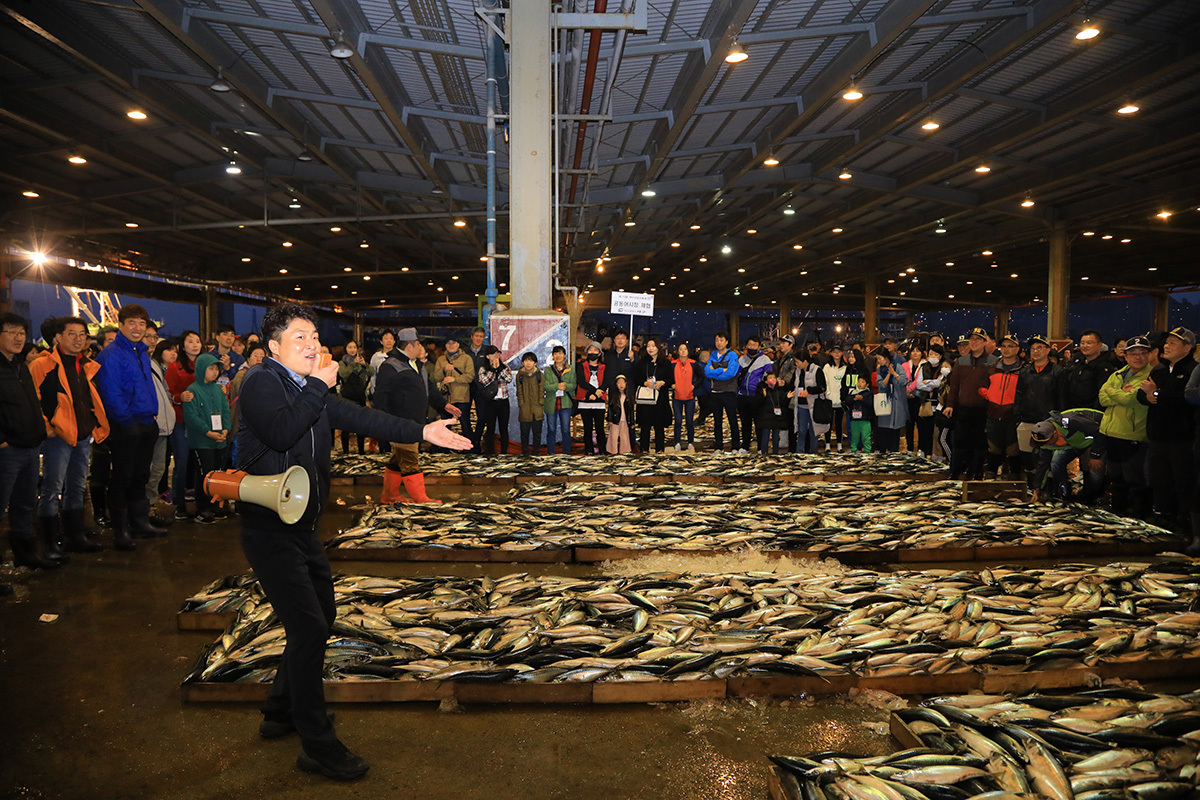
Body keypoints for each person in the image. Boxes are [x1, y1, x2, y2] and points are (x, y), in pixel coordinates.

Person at [234, 304, 470, 781]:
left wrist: (422, 430)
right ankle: (317, 744)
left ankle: (280, 709)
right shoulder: (262, 381)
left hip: (303, 526)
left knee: (321, 616)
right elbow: (281, 430)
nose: (312, 343)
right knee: (309, 630)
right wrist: (320, 384)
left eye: (315, 335)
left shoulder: (309, 389)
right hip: (269, 527)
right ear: (273, 347)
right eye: (299, 336)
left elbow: (366, 419)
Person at [30, 316, 110, 560]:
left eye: (82, 334)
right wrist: (49, 428)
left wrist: (94, 427)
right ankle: (51, 543)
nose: (78, 339)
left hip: (83, 435)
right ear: (57, 337)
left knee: (76, 487)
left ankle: (76, 537)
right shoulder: (42, 365)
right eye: (72, 334)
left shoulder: (84, 364)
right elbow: (33, 401)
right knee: (52, 489)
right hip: (58, 437)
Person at [94, 304, 166, 548]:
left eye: (142, 323)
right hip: (126, 425)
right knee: (122, 477)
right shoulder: (111, 354)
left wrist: (152, 417)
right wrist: (126, 422)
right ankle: (121, 531)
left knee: (141, 476)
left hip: (147, 422)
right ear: (121, 325)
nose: (137, 328)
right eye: (132, 323)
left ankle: (140, 524)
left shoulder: (142, 353)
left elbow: (146, 389)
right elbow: (111, 393)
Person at [373, 328, 459, 503]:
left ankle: (389, 495)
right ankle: (421, 498)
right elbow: (380, 396)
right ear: (410, 345)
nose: (421, 346)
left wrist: (445, 404)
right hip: (400, 422)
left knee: (398, 459)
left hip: (416, 421)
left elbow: (429, 389)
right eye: (419, 343)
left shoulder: (418, 364)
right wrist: (381, 423)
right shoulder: (390, 366)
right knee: (410, 458)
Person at [0, 312, 57, 572]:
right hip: (7, 450)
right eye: (11, 332)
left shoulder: (21, 365)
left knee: (25, 503)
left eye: (21, 333)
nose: (18, 337)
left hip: (31, 446)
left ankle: (26, 555)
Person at [1137, 327, 1196, 533]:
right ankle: (1162, 519)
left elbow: (1188, 400)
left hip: (1182, 439)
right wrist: (1148, 396)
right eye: (1167, 342)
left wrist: (1157, 395)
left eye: (1173, 343)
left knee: (1182, 483)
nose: (1166, 346)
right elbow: (1142, 393)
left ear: (1187, 348)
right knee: (1159, 480)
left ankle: (1184, 523)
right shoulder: (1159, 370)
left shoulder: (1192, 370)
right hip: (1157, 437)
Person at [1098, 335, 1153, 517]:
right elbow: (1102, 398)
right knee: (1116, 478)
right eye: (1133, 353)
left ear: (1149, 355)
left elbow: (1130, 398)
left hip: (1133, 435)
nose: (1138, 357)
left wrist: (1113, 392)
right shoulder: (1117, 374)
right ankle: (1118, 514)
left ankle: (1140, 517)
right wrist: (1119, 393)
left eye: (1143, 353)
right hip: (1111, 432)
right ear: (1126, 356)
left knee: (1135, 479)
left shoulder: (1151, 377)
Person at [943, 327, 996, 479]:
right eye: (971, 339)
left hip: (983, 410)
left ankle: (976, 473)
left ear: (985, 342)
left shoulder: (993, 362)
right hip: (963, 408)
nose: (973, 342)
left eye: (978, 339)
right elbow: (954, 386)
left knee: (979, 444)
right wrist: (950, 404)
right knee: (959, 442)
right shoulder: (961, 361)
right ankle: (955, 473)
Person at [183, 354, 229, 525]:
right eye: (211, 368)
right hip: (202, 441)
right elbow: (191, 417)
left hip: (219, 440)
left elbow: (225, 411)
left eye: (217, 368)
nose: (215, 371)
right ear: (201, 369)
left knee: (217, 474)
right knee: (204, 474)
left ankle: (215, 505)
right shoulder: (192, 390)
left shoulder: (218, 390)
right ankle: (202, 509)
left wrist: (225, 430)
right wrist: (208, 433)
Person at [1014, 335, 1062, 493]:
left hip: (1048, 422)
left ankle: (1047, 491)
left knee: (1045, 458)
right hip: (1027, 420)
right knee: (1027, 457)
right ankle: (1030, 488)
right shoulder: (1025, 371)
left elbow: (1062, 398)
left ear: (1048, 350)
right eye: (1033, 348)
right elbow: (1019, 394)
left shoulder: (1058, 372)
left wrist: (1058, 421)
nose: (1035, 351)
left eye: (1040, 348)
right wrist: (1017, 416)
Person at [1028, 409, 1105, 503]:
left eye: (1046, 443)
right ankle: (1063, 494)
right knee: (1056, 462)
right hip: (1074, 443)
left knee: (1095, 468)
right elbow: (1042, 464)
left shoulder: (1072, 421)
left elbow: (1099, 431)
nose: (1045, 446)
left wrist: (1095, 455)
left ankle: (1090, 498)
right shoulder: (1045, 437)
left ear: (1054, 433)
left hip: (1097, 437)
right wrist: (1037, 488)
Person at [167, 331, 202, 520]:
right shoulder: (174, 367)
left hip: (200, 422)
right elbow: (169, 394)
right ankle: (179, 504)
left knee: (198, 463)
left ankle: (199, 502)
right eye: (190, 341)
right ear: (182, 345)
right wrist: (180, 397)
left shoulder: (204, 365)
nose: (195, 345)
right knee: (181, 463)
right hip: (180, 421)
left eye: (198, 341)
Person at [145, 338, 179, 528]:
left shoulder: (157, 366)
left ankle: (150, 507)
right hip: (148, 425)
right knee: (146, 469)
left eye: (152, 336)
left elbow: (165, 394)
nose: (149, 340)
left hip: (163, 425)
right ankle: (141, 511)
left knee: (158, 469)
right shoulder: (140, 363)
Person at [983, 334, 1023, 479]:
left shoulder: (1023, 369)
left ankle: (1014, 475)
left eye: (1011, 346)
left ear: (1017, 349)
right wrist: (986, 393)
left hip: (1012, 414)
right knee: (993, 446)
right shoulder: (992, 367)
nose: (1006, 349)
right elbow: (983, 385)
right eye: (1004, 346)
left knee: (1013, 448)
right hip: (993, 413)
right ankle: (991, 473)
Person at [634, 336, 673, 454]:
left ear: (658, 347)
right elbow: (636, 378)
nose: (650, 348)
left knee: (659, 425)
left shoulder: (666, 363)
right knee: (645, 425)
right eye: (648, 346)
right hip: (645, 398)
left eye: (653, 346)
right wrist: (644, 382)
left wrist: (662, 382)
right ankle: (644, 449)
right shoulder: (642, 362)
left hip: (660, 398)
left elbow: (671, 379)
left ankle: (659, 449)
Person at [228, 343, 266, 464]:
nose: (259, 359)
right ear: (248, 359)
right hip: (242, 425)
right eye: (255, 355)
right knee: (239, 458)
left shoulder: (266, 375)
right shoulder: (242, 375)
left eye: (262, 356)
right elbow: (249, 397)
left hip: (258, 427)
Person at [909, 344, 947, 458]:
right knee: (924, 429)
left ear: (940, 356)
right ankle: (924, 452)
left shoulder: (944, 367)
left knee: (937, 432)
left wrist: (928, 382)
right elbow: (920, 384)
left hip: (939, 404)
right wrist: (932, 383)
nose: (933, 356)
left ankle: (937, 454)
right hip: (926, 403)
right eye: (931, 354)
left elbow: (942, 383)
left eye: (935, 354)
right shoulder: (924, 367)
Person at [435, 336, 475, 445]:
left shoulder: (466, 358)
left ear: (458, 345)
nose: (451, 345)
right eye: (448, 343)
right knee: (445, 425)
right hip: (445, 398)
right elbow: (435, 377)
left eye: (454, 343)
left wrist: (454, 379)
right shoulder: (440, 359)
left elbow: (470, 376)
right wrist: (444, 370)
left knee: (465, 425)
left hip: (461, 397)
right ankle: (445, 449)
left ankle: (470, 449)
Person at [736, 336, 773, 453]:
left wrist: (765, 389)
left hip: (756, 396)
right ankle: (745, 446)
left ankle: (761, 447)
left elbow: (769, 377)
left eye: (754, 345)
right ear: (746, 346)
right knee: (745, 423)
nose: (752, 347)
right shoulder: (741, 360)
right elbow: (737, 376)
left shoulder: (765, 360)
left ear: (758, 346)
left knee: (759, 423)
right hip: (743, 396)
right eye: (750, 344)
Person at [705, 332, 740, 451]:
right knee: (717, 422)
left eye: (721, 340)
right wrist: (721, 370)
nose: (718, 343)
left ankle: (735, 446)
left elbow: (731, 374)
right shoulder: (713, 354)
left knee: (732, 421)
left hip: (729, 392)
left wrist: (715, 372)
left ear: (726, 342)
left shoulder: (733, 355)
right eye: (716, 340)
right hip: (715, 392)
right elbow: (707, 372)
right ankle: (718, 447)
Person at [336, 341, 373, 455]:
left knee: (361, 426)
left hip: (360, 396)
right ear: (345, 348)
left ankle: (361, 451)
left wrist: (364, 364)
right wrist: (353, 364)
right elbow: (344, 374)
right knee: (345, 426)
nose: (352, 349)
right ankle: (346, 451)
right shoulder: (343, 362)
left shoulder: (360, 360)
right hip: (347, 397)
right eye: (350, 347)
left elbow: (371, 372)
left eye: (354, 347)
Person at [475, 345, 512, 455]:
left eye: (497, 354)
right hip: (490, 402)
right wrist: (493, 370)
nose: (496, 356)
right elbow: (484, 381)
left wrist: (499, 369)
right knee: (490, 428)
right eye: (493, 354)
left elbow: (509, 379)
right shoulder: (483, 369)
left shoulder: (505, 366)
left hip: (503, 401)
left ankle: (504, 452)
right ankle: (490, 453)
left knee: (503, 428)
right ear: (487, 356)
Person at [575, 341, 607, 455]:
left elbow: (606, 381)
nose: (592, 352)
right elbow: (581, 381)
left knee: (600, 428)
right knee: (587, 428)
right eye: (590, 349)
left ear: (599, 353)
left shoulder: (604, 366)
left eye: (595, 350)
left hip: (599, 401)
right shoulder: (581, 365)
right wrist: (594, 392)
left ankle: (602, 450)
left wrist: (599, 392)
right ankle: (589, 450)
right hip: (585, 400)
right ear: (587, 352)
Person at [873, 349, 909, 452]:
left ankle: (894, 452)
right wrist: (889, 374)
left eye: (880, 358)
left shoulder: (898, 367)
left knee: (895, 429)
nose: (879, 361)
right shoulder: (880, 370)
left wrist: (895, 374)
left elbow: (904, 381)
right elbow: (881, 384)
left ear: (886, 357)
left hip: (896, 402)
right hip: (885, 401)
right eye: (878, 359)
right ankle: (884, 452)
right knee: (884, 429)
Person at [543, 345, 576, 455]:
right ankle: (551, 454)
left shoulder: (570, 369)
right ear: (553, 355)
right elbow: (545, 386)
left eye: (560, 353)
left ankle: (567, 453)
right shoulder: (548, 371)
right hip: (551, 404)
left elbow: (574, 385)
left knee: (566, 430)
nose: (558, 356)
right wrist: (557, 386)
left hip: (565, 404)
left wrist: (565, 386)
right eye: (555, 353)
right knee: (551, 430)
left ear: (564, 355)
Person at [670, 342, 701, 452]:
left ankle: (690, 442)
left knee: (689, 421)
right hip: (677, 397)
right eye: (680, 349)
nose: (683, 351)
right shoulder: (673, 364)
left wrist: (694, 386)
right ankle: (677, 442)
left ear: (688, 351)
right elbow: (667, 376)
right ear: (678, 351)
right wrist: (671, 384)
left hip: (690, 397)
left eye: (685, 349)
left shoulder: (693, 364)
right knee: (678, 421)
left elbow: (701, 376)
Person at [515, 353, 544, 455]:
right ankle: (525, 453)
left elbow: (541, 390)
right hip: (525, 408)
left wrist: (540, 402)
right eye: (526, 361)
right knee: (524, 433)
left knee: (537, 433)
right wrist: (521, 404)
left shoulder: (540, 375)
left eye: (531, 361)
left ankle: (536, 453)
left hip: (537, 408)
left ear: (535, 363)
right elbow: (519, 391)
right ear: (523, 362)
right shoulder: (520, 375)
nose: (528, 363)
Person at [755, 371, 788, 455]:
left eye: (774, 378)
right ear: (766, 381)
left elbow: (783, 402)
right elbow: (758, 402)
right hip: (765, 416)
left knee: (776, 436)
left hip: (777, 416)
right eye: (770, 378)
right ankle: (764, 452)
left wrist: (787, 397)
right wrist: (764, 395)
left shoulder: (779, 389)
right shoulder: (762, 389)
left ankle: (775, 453)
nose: (772, 380)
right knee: (765, 435)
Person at [822, 345, 847, 453]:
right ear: (831, 353)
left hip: (841, 400)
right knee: (828, 423)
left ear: (842, 353)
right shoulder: (827, 367)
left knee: (839, 423)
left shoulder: (845, 367)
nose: (836, 354)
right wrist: (828, 395)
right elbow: (825, 382)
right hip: (829, 399)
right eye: (834, 352)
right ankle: (827, 445)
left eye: (839, 352)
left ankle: (839, 445)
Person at [209, 322, 245, 391]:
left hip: (231, 398)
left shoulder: (239, 359)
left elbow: (240, 383)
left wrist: (228, 368)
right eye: (225, 334)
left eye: (232, 335)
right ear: (217, 337)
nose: (229, 338)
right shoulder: (208, 357)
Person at [606, 374, 635, 454]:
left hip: (625, 420)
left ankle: (624, 451)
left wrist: (632, 422)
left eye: (622, 382)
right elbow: (610, 409)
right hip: (615, 419)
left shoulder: (629, 396)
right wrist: (610, 419)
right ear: (616, 384)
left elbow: (631, 410)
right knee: (613, 436)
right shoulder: (613, 396)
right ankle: (612, 451)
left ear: (626, 383)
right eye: (618, 383)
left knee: (625, 437)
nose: (621, 385)